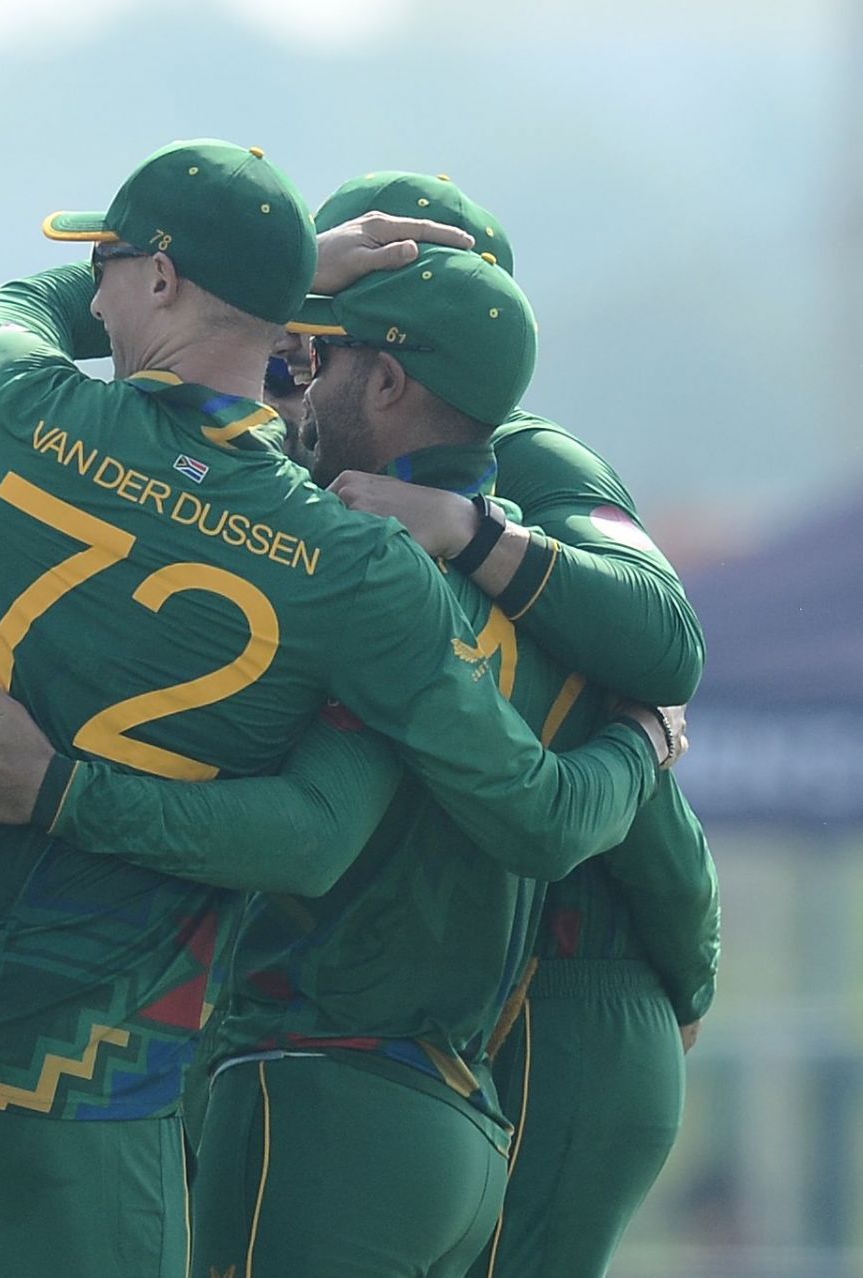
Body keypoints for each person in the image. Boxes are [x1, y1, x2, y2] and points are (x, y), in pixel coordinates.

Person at [0, 138, 672, 1278]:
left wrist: (294, 273)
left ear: (156, 281)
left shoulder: (10, 399)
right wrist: (639, 745)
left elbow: (19, 299)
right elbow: (403, 829)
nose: (93, 279)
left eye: (113, 257)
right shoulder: (360, 565)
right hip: (84, 1062)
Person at [307, 171, 717, 1278]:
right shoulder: (297, 451)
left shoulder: (527, 460)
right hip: (427, 989)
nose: (306, 363)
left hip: (563, 980)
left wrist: (469, 529)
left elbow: (663, 647)